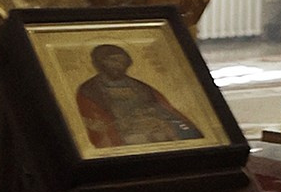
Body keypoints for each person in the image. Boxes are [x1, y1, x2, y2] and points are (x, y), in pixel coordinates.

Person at [72, 40, 203, 150]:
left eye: (122, 61)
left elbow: (167, 110)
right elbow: (94, 122)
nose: (119, 65)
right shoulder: (90, 90)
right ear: (99, 63)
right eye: (113, 60)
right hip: (123, 136)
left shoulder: (141, 87)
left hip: (154, 129)